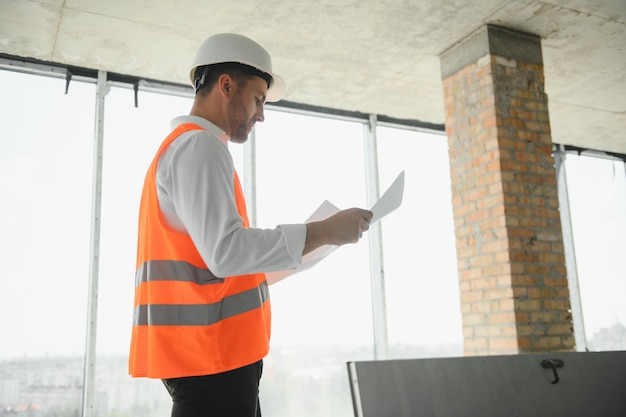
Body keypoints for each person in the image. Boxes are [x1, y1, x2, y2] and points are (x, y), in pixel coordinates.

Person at [128, 33, 372, 417]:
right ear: (226, 85)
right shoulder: (200, 147)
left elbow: (214, 265)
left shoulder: (192, 148)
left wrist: (309, 247)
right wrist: (323, 231)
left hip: (211, 359)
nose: (262, 114)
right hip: (213, 360)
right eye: (258, 99)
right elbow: (226, 253)